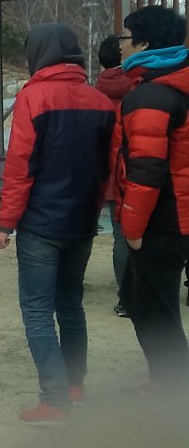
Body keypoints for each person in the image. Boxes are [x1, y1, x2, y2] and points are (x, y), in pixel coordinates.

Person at [0, 23, 115, 425]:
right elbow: (107, 168)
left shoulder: (33, 98)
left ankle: (55, 399)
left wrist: (5, 223)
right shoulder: (101, 101)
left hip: (41, 223)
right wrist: (93, 210)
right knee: (70, 304)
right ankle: (75, 384)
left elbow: (20, 166)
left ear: (37, 53)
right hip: (82, 221)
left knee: (37, 311)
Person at [114, 4, 189, 393]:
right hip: (178, 214)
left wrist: (133, 228)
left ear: (144, 44)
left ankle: (174, 391)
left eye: (125, 37)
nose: (120, 45)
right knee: (144, 300)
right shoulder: (173, 83)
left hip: (163, 219)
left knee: (156, 311)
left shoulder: (152, 96)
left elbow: (146, 171)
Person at [95, 33, 136, 317]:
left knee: (121, 238)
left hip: (110, 175)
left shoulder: (95, 94)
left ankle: (126, 300)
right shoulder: (139, 87)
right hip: (144, 170)